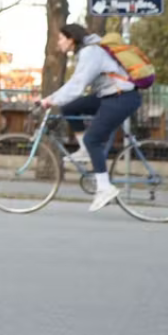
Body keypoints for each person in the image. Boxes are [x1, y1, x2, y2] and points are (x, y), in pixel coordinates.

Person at [36, 24, 141, 212]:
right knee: (69, 108)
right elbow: (76, 85)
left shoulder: (91, 52)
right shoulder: (87, 52)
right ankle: (85, 149)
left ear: (71, 39)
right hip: (109, 95)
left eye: (61, 38)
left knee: (93, 138)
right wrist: (56, 100)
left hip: (121, 98)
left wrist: (50, 100)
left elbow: (77, 85)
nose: (58, 43)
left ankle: (104, 188)